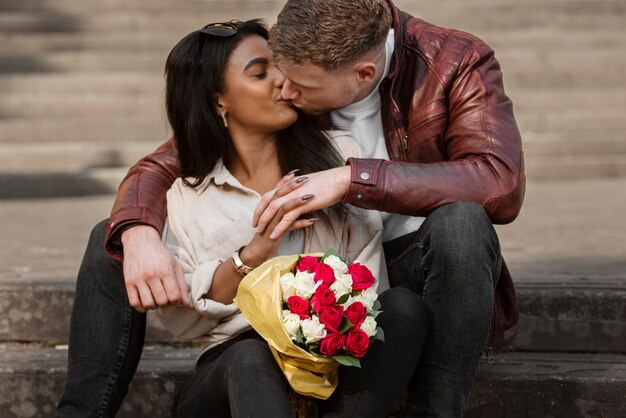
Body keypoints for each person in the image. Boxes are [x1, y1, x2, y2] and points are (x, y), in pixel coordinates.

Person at [59, 0, 524, 416]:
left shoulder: (453, 62)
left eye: (297, 84)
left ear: (362, 73)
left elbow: (499, 180)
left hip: (413, 276)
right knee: (114, 238)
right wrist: (137, 229)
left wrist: (351, 178)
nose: (285, 90)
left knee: (460, 225)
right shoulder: (297, 75)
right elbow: (176, 152)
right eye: (272, 73)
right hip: (262, 326)